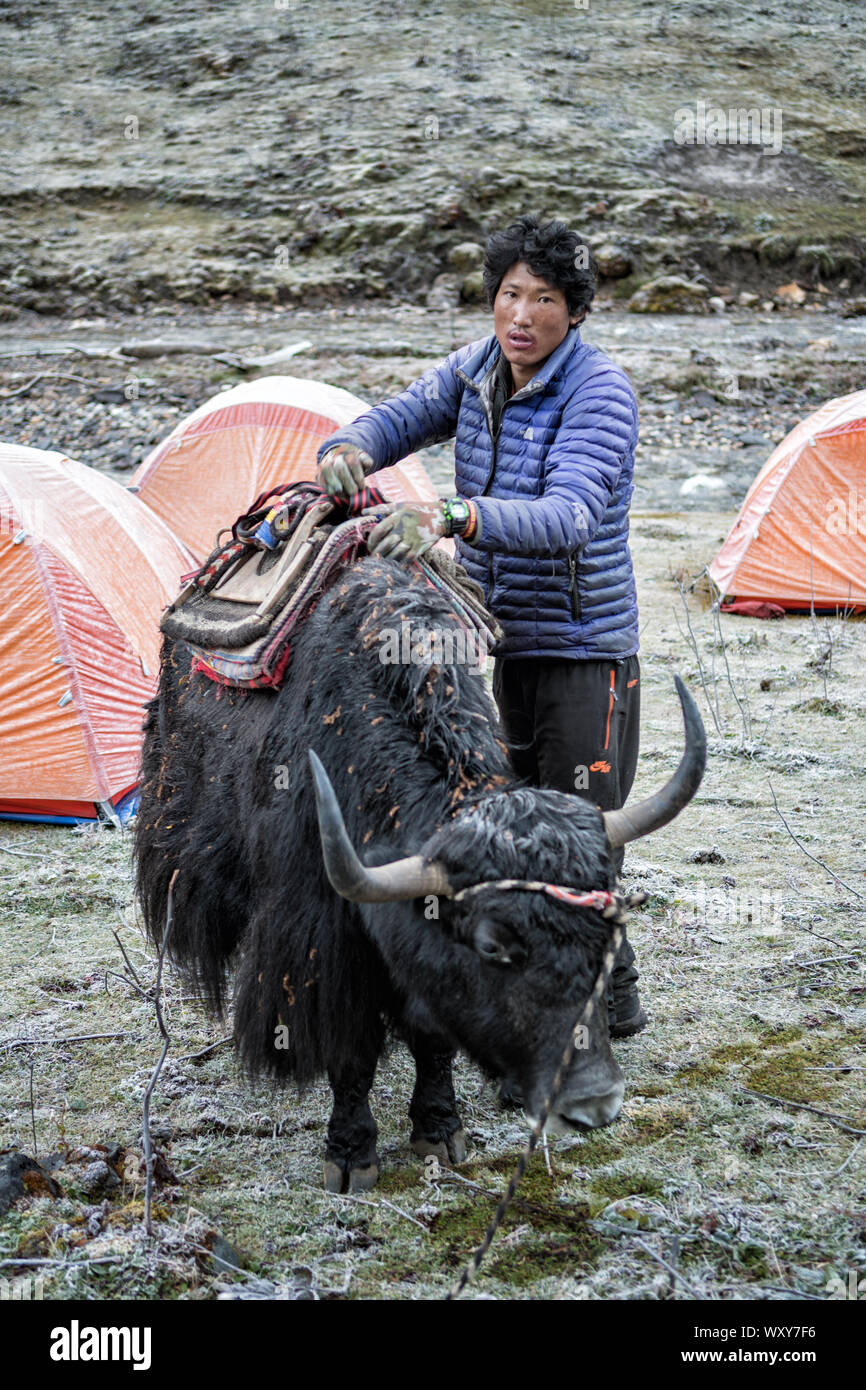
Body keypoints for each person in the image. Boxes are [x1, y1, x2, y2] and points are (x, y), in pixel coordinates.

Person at [315, 214, 646, 1039]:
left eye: (542, 299)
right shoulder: (475, 371)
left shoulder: (600, 393)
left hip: (583, 653)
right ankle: (607, 993)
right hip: (498, 643)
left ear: (575, 311)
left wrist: (454, 514)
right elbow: (396, 418)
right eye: (508, 295)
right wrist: (350, 445)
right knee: (513, 830)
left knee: (577, 838)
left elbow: (570, 516)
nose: (521, 316)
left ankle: (586, 1025)